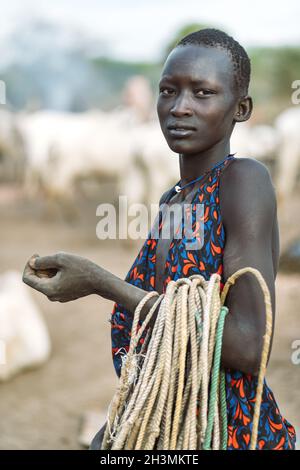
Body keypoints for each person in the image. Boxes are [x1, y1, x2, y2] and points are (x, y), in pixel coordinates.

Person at [23, 28, 296, 450]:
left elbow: (247, 344)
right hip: (164, 419)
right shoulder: (174, 200)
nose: (179, 107)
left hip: (225, 431)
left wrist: (99, 282)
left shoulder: (244, 181)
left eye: (203, 93)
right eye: (168, 90)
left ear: (241, 109)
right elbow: (165, 319)